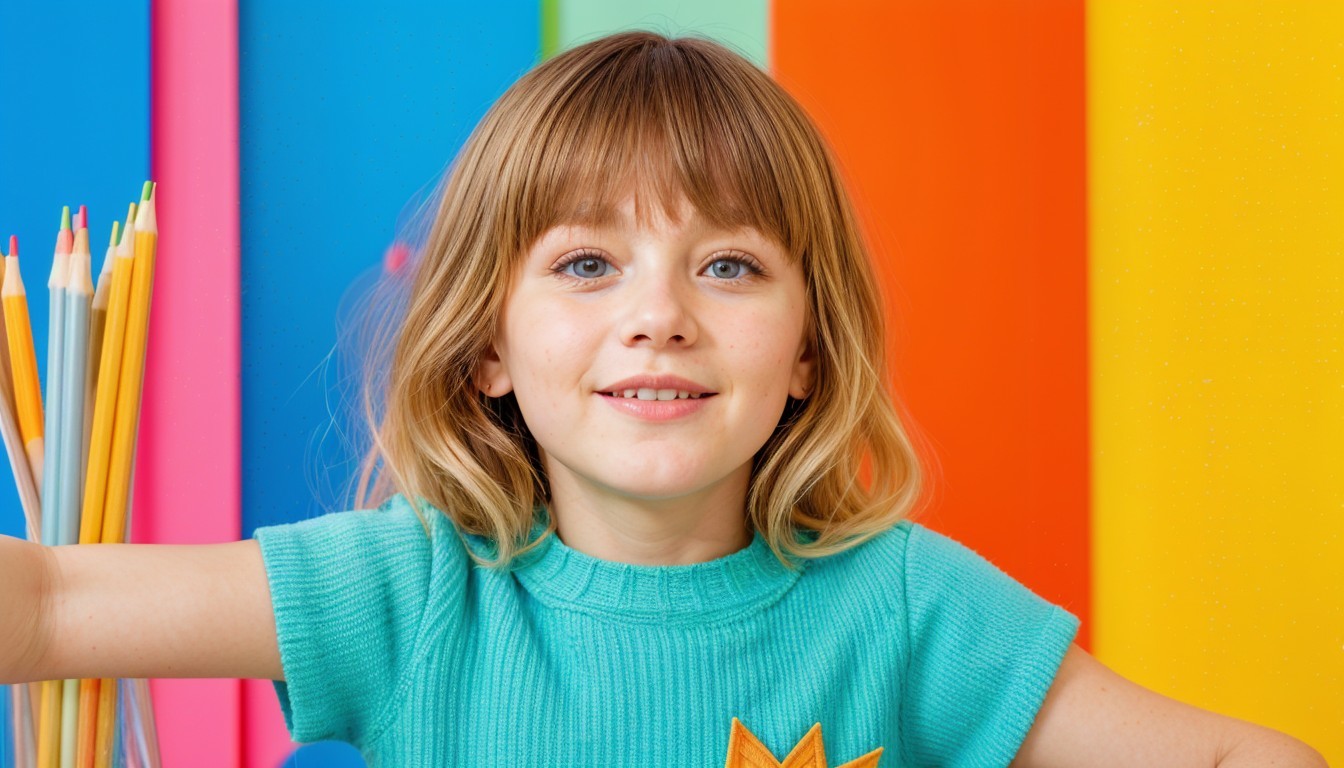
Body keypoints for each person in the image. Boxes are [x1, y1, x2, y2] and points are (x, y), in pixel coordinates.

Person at [0, 30, 1327, 768]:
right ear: (488, 352)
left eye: (731, 265)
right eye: (587, 263)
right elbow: (51, 607)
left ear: (809, 349)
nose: (661, 312)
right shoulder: (413, 595)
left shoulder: (910, 608)